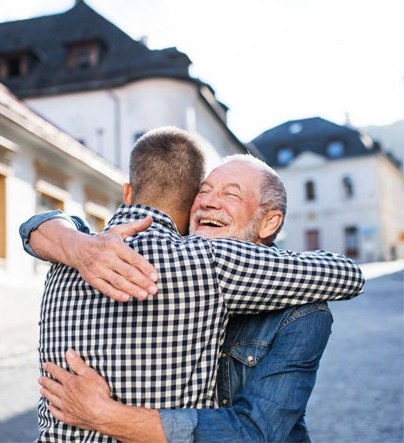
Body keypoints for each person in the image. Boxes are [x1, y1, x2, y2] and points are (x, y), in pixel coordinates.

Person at [21, 128, 364, 442]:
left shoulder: (302, 310)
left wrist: (107, 416)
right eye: (202, 191)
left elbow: (254, 432)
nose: (210, 201)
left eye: (231, 194)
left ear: (269, 221)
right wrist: (75, 246)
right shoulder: (171, 255)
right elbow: (42, 226)